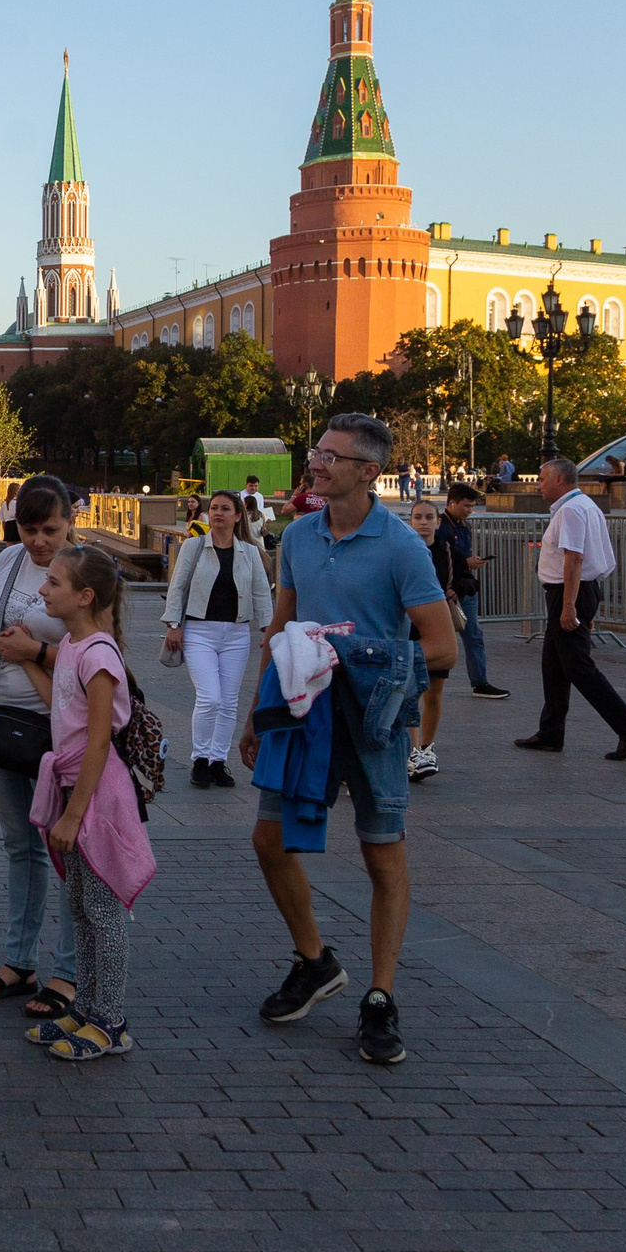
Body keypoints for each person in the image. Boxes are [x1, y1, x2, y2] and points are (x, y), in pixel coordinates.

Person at [238, 413, 457, 1066]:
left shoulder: (402, 546)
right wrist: (256, 712)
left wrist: (358, 654)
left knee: (381, 855)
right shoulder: (299, 537)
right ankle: (315, 962)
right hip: (304, 712)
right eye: (317, 451)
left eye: (332, 456)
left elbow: (441, 645)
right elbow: (280, 626)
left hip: (373, 718)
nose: (317, 463)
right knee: (268, 839)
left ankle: (380, 997)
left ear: (369, 472)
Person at [14, 544, 152, 1061]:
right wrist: (25, 659)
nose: (43, 590)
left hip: (96, 794)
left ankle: (110, 1021)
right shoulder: (74, 645)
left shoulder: (98, 653)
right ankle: (87, 1007)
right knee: (80, 905)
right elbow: (62, 705)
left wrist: (73, 815)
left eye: (54, 582)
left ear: (85, 596)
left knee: (102, 911)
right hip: (75, 786)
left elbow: (97, 741)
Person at [0, 476, 80, 1021]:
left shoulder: (85, 570)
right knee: (20, 847)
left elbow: (100, 657)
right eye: (29, 529)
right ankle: (19, 961)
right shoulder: (9, 561)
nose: (38, 541)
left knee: (65, 852)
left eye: (50, 529)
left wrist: (33, 652)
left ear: (71, 522)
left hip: (60, 727)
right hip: (5, 717)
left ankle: (69, 971)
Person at [515, 457, 626, 763]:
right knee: (553, 666)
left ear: (559, 480)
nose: (538, 485)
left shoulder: (571, 510)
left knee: (579, 668)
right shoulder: (584, 505)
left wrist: (569, 607)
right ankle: (550, 732)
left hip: (569, 593)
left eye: (542, 479)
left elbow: (574, 559)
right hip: (576, 592)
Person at [163, 489, 272, 789]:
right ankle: (200, 757)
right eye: (214, 508)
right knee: (210, 696)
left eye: (225, 508)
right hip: (200, 631)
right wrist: (174, 624)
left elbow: (262, 592)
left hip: (236, 633)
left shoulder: (249, 552)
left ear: (237, 516)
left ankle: (217, 760)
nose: (218, 513)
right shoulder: (195, 546)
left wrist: (268, 629)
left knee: (228, 702)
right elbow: (177, 586)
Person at [438, 483, 508, 698]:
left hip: (464, 587)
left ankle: (480, 682)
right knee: (439, 636)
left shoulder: (464, 526)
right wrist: (466, 563)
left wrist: (469, 562)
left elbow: (460, 557)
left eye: (472, 506)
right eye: (466, 506)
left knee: (474, 635)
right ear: (452, 503)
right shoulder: (442, 527)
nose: (470, 510)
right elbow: (439, 559)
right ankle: (430, 680)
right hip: (446, 591)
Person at [405, 501, 455, 783]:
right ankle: (413, 751)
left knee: (434, 691)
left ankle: (427, 746)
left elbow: (462, 579)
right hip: (411, 629)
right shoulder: (403, 551)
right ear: (410, 521)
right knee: (411, 691)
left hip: (437, 628)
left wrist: (459, 589)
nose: (423, 522)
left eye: (428, 517)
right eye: (417, 517)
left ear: (438, 521)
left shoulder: (447, 552)